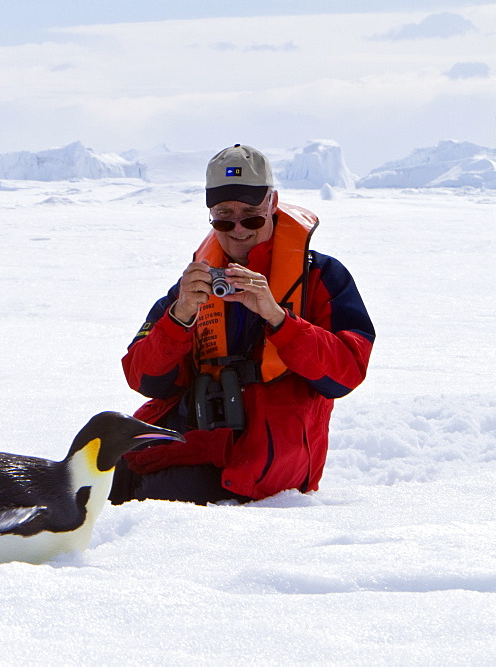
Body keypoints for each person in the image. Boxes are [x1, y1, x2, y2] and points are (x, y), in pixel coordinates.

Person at [109, 144, 375, 506]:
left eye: (251, 217)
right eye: (223, 218)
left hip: (268, 461)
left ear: (273, 203)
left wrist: (279, 318)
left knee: (151, 500)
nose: (238, 231)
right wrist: (179, 316)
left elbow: (346, 373)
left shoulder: (321, 277)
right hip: (201, 439)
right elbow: (143, 378)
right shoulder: (195, 281)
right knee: (100, 471)